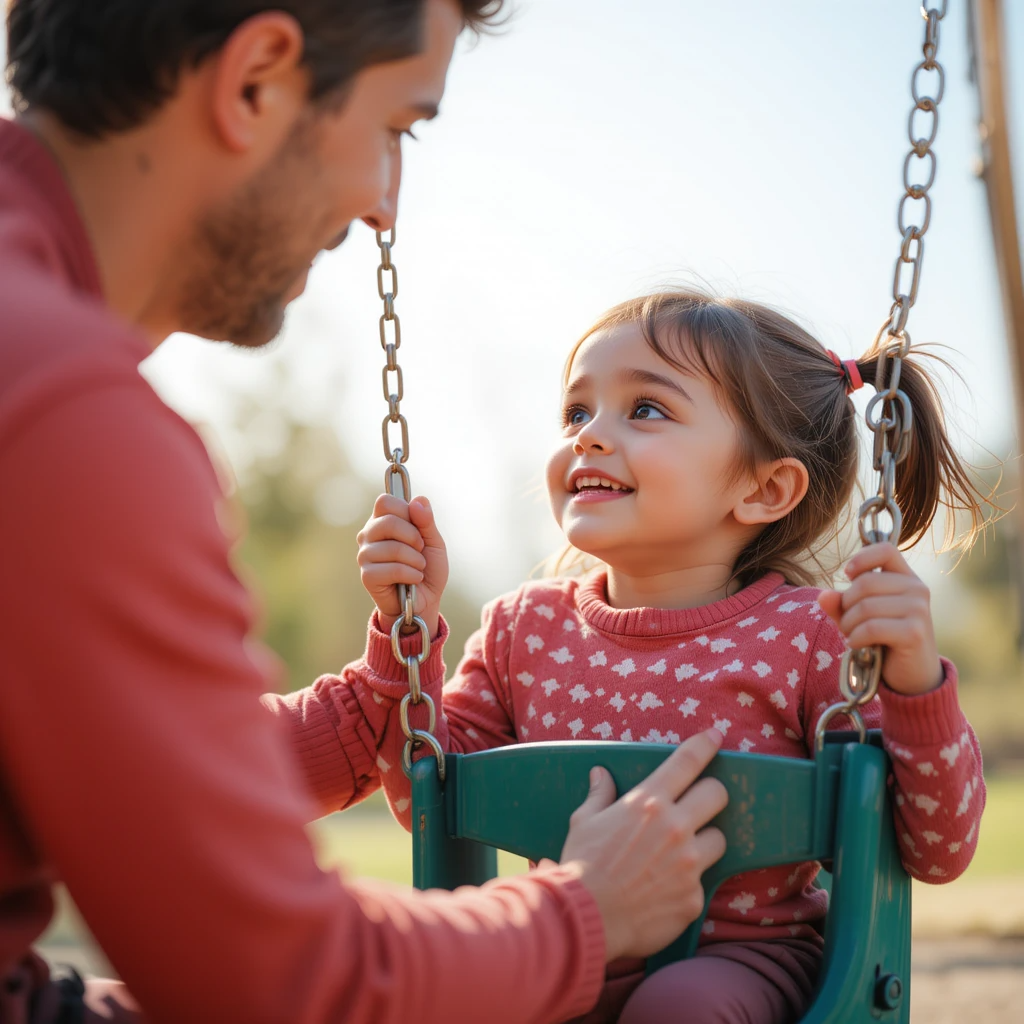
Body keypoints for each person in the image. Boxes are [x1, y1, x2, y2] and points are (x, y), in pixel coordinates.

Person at [0, 3, 733, 1022]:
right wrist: (583, 913)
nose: (386, 207)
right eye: (397, 128)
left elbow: (120, 759)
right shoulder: (69, 420)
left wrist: (366, 706)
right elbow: (280, 980)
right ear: (256, 79)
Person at [328, 290, 989, 1023]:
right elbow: (424, 798)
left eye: (644, 410)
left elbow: (936, 849)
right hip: (569, 948)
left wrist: (916, 685)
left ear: (765, 488)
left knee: (678, 1006)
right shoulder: (523, 631)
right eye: (577, 412)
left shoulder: (810, 637)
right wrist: (405, 632)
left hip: (742, 965)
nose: (589, 436)